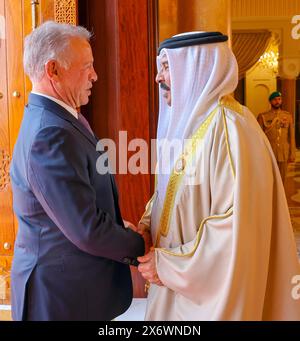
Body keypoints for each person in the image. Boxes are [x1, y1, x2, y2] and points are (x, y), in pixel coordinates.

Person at [137, 32, 300, 320]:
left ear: (195, 67)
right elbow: (171, 190)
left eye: (166, 67)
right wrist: (148, 225)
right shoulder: (196, 123)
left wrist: (169, 266)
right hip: (176, 283)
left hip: (205, 297)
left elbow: (236, 226)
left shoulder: (230, 129)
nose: (158, 78)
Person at [10, 21, 144, 321]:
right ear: (53, 70)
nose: (95, 76)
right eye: (87, 66)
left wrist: (120, 226)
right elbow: (86, 230)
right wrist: (142, 245)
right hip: (59, 299)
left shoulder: (56, 119)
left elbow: (74, 204)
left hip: (70, 292)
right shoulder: (50, 133)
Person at [257, 91, 296, 183]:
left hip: (283, 152)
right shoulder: (263, 116)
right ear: (270, 102)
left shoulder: (287, 116)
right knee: (269, 177)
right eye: (274, 100)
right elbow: (258, 137)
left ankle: (280, 197)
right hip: (269, 151)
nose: (277, 101)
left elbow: (291, 136)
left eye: (279, 99)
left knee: (282, 178)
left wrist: (292, 152)